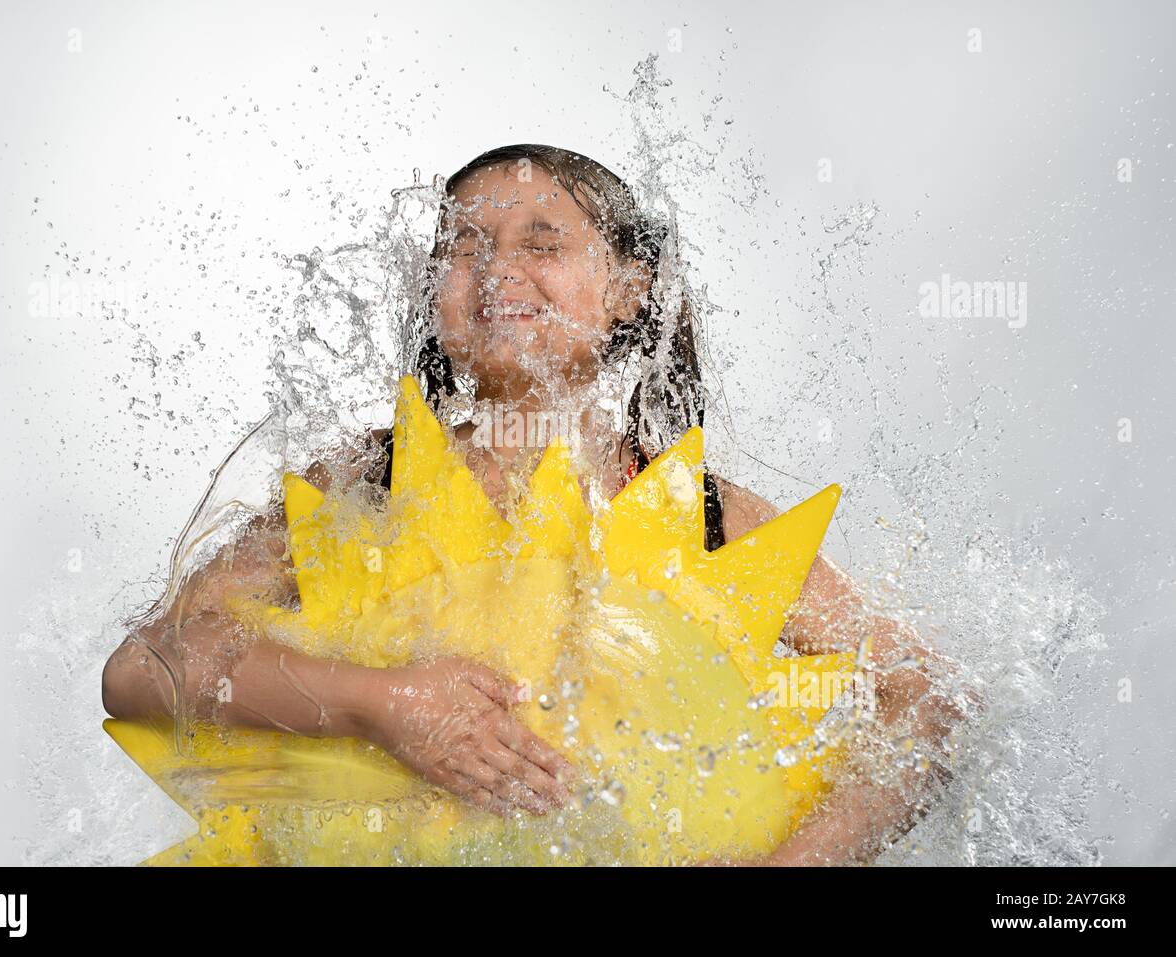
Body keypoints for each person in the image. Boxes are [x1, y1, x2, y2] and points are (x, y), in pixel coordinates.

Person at [102, 144, 959, 864]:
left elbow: (926, 700)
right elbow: (144, 668)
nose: (497, 269)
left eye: (541, 241)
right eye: (465, 246)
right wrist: (382, 704)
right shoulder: (362, 489)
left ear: (629, 288)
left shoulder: (712, 518)